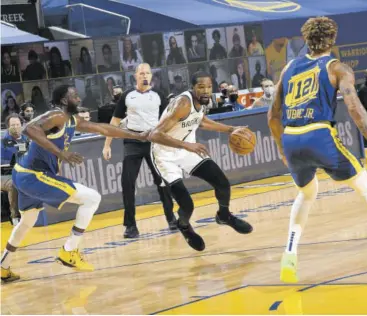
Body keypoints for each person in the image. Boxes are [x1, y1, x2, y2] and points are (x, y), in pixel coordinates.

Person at [267, 16, 367, 284]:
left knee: (307, 192)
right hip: (317, 133)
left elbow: (273, 115)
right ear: (333, 39)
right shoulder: (337, 68)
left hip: (291, 137)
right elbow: (355, 109)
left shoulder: (288, 68)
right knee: (366, 187)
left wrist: (281, 148)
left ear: (306, 39)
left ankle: (289, 255)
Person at [0, 84, 149, 282]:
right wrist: (62, 154)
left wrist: (136, 135)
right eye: (74, 96)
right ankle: (69, 251)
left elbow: (102, 128)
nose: (78, 99)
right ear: (64, 100)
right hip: (32, 175)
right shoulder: (57, 115)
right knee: (92, 198)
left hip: (23, 174)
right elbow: (29, 128)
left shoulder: (71, 120)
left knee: (27, 221)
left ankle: (3, 266)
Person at [149, 71, 253, 252]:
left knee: (222, 183)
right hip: (164, 155)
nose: (206, 90)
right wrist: (186, 146)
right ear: (192, 88)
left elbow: (201, 121)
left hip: (187, 148)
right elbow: (154, 135)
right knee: (187, 205)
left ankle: (224, 215)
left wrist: (231, 129)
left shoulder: (203, 102)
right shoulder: (183, 103)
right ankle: (183, 225)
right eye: (201, 87)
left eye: (209, 86)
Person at [103, 63, 175, 238]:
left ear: (151, 76)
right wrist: (107, 145)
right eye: (141, 73)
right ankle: (130, 226)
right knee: (127, 184)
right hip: (133, 141)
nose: (145, 76)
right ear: (135, 76)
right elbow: (114, 122)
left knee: (162, 181)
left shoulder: (159, 95)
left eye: (147, 73)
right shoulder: (127, 96)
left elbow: (169, 119)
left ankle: (172, 218)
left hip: (153, 142)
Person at [1, 114, 29, 226]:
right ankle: (15, 217)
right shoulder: (2, 142)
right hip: (4, 175)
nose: (16, 127)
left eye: (18, 125)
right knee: (14, 184)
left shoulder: (27, 139)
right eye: (13, 125)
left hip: (23, 172)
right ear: (8, 127)